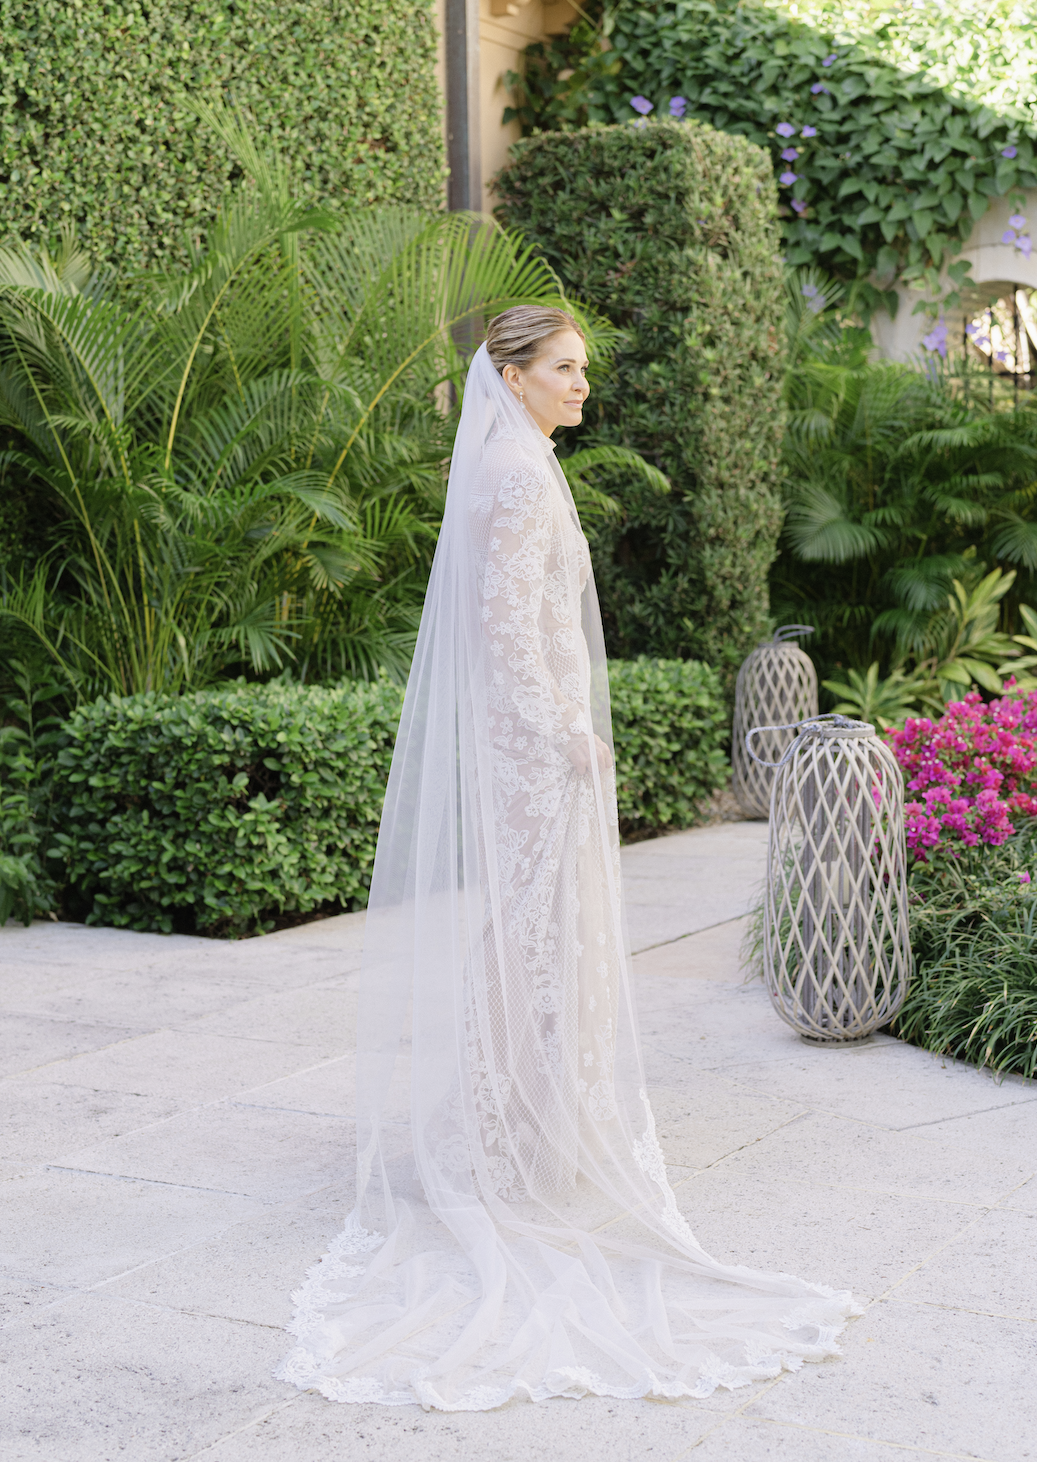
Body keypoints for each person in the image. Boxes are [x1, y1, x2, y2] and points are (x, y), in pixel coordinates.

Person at [276, 306, 857, 1410]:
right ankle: (511, 1134)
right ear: (513, 374)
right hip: (527, 749)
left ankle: (518, 1122)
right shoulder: (507, 472)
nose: (584, 385)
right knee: (532, 921)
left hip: (536, 744)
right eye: (567, 367)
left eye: (583, 366)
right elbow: (503, 627)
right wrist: (559, 733)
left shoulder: (522, 457)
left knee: (535, 923)